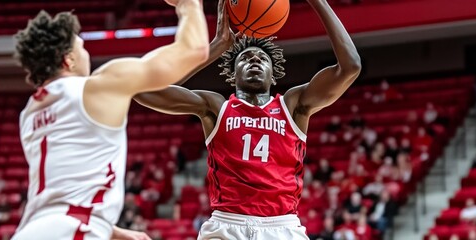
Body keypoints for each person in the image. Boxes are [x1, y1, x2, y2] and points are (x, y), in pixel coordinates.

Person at [134, 0, 360, 237]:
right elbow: (143, 91)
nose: (254, 60)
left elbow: (350, 67)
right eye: (246, 57)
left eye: (263, 59)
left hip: (281, 226)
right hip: (227, 224)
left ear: (273, 76)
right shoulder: (216, 106)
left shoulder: (293, 105)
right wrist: (216, 46)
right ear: (233, 74)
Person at [11, 0, 210, 238]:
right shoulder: (98, 86)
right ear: (68, 60)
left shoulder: (30, 113)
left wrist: (113, 232)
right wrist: (188, 5)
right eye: (82, 48)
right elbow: (194, 51)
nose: (87, 54)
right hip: (74, 231)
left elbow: (59, 197)